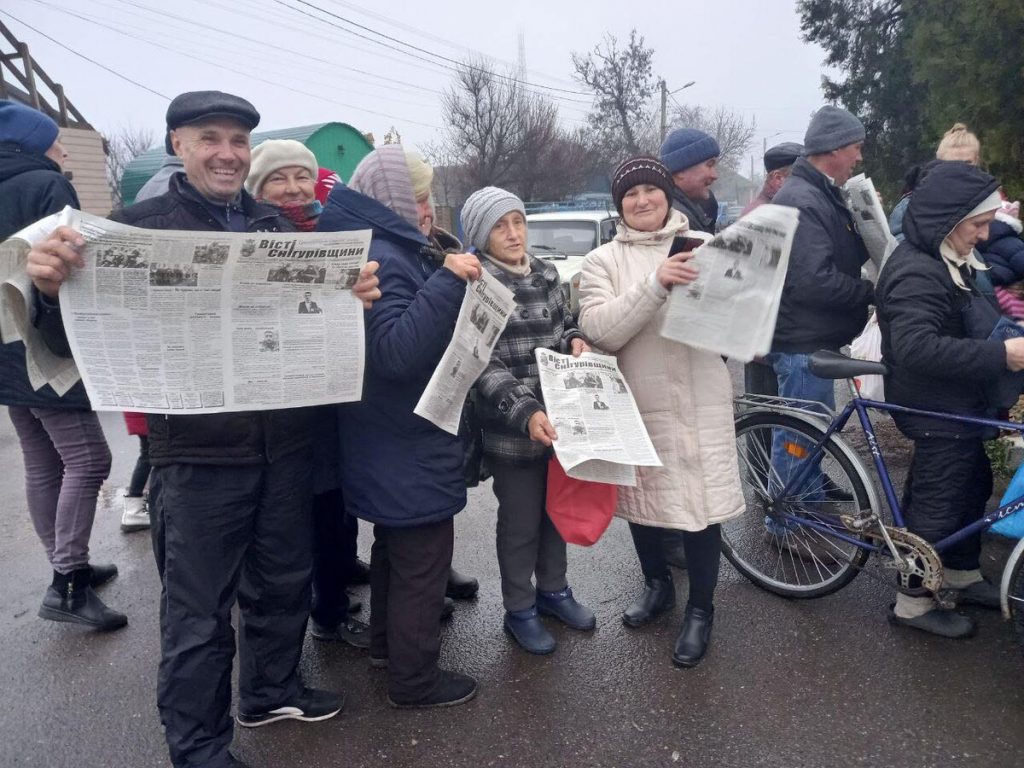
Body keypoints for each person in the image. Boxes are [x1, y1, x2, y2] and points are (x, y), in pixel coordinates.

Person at [26, 90, 381, 768]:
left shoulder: (276, 224)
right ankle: (197, 747)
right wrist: (48, 293)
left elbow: (321, 323)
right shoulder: (135, 225)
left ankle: (271, 689)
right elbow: (68, 341)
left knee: (283, 580)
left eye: (237, 141)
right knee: (198, 613)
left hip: (286, 445)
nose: (226, 152)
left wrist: (352, 298)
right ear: (177, 145)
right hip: (197, 459)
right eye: (209, 138)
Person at [316, 145, 479, 708]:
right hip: (405, 442)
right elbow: (393, 353)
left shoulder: (378, 243)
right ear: (389, 201)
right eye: (416, 197)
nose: (427, 208)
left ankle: (387, 651)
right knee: (422, 565)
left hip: (388, 440)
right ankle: (416, 682)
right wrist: (450, 281)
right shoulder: (384, 251)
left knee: (395, 550)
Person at [577, 156, 745, 667]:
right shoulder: (601, 261)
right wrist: (656, 283)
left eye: (651, 190)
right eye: (630, 194)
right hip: (637, 398)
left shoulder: (707, 247)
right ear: (619, 205)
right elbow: (601, 328)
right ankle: (657, 586)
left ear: (668, 195)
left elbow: (735, 318)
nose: (642, 200)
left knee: (699, 504)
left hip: (699, 395)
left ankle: (701, 610)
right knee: (643, 500)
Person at [875, 161, 1024, 638]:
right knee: (937, 503)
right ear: (948, 220)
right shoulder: (917, 270)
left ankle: (960, 572)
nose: (984, 235)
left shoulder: (947, 256)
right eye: (978, 224)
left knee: (972, 483)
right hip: (934, 405)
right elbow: (916, 349)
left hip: (960, 400)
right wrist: (1001, 354)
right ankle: (911, 604)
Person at [242, 136, 371, 649]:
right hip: (284, 405)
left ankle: (339, 578)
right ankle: (328, 612)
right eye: (278, 178)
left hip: (339, 394)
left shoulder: (336, 229)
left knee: (341, 501)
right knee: (308, 515)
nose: (293, 188)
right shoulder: (250, 233)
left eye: (301, 176)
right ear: (258, 186)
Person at [0, 99, 124, 632]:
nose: (64, 148)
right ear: (32, 144)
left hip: (4, 346)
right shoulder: (47, 185)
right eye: (54, 140)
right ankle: (67, 582)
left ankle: (64, 564)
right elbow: (76, 268)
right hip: (44, 345)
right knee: (89, 460)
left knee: (41, 461)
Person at [461, 186, 595, 655]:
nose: (514, 233)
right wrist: (526, 411)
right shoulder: (478, 283)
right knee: (520, 524)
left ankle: (554, 591)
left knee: (555, 514)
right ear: (480, 234)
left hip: (561, 424)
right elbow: (481, 365)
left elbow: (565, 322)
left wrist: (576, 338)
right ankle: (519, 609)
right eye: (500, 226)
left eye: (518, 221)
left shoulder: (546, 271)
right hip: (513, 431)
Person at [765, 106, 873, 508]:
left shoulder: (818, 192)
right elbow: (812, 281)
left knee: (807, 433)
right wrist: (868, 292)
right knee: (798, 437)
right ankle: (788, 521)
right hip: (800, 342)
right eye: (856, 148)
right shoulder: (803, 198)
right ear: (834, 148)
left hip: (811, 338)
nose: (858, 158)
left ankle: (805, 506)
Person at [659, 127, 721, 236]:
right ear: (680, 171)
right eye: (709, 165)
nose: (715, 175)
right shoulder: (678, 221)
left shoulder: (688, 210)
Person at [741, 141, 804, 216]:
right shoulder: (763, 214)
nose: (805, 186)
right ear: (778, 178)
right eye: (800, 179)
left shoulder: (771, 208)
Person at [120, 411, 151, 532]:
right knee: (150, 455)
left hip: (141, 411)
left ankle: (134, 510)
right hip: (148, 411)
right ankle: (134, 512)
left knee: (148, 454)